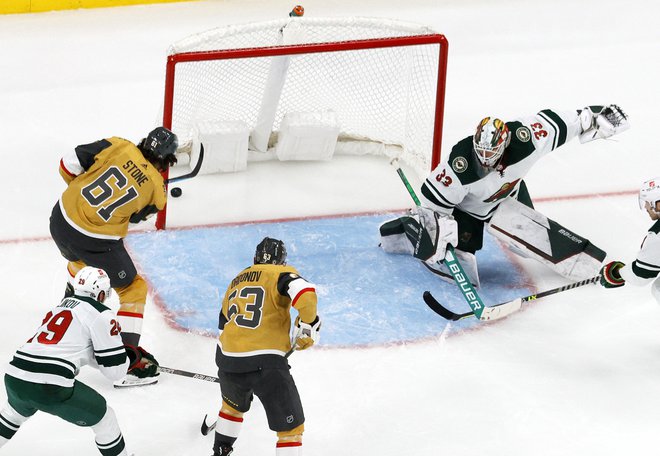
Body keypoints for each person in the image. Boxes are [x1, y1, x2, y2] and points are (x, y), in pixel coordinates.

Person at [379, 105, 630, 286]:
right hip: (468, 212)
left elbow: (578, 119)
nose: (486, 163)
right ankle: (405, 235)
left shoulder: (528, 137)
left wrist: (599, 116)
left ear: (506, 143)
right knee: (466, 274)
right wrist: (437, 230)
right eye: (481, 156)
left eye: (493, 156)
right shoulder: (461, 164)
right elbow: (432, 203)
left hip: (508, 195)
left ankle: (595, 268)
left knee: (522, 249)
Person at [49, 126, 177, 387]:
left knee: (80, 261)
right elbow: (137, 216)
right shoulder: (156, 189)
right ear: (167, 162)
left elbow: (67, 164)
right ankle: (126, 362)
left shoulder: (117, 144)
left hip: (60, 219)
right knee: (133, 288)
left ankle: (67, 309)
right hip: (93, 239)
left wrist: (81, 195)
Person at [0, 267, 148, 455]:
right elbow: (115, 372)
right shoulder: (101, 313)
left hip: (15, 377)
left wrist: (112, 355)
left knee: (12, 415)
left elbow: (73, 351)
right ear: (101, 293)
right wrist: (127, 359)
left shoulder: (58, 308)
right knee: (105, 419)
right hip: (50, 386)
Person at [211, 237, 321, 456]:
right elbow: (306, 295)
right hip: (266, 364)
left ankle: (220, 451)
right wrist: (308, 325)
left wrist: (239, 365)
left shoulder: (236, 280)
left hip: (227, 360)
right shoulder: (280, 273)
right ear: (281, 260)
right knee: (291, 430)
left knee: (231, 408)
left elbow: (223, 325)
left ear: (255, 258)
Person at [600, 177, 660, 300]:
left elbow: (641, 275)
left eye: (648, 203)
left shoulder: (657, 236)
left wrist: (618, 273)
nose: (646, 208)